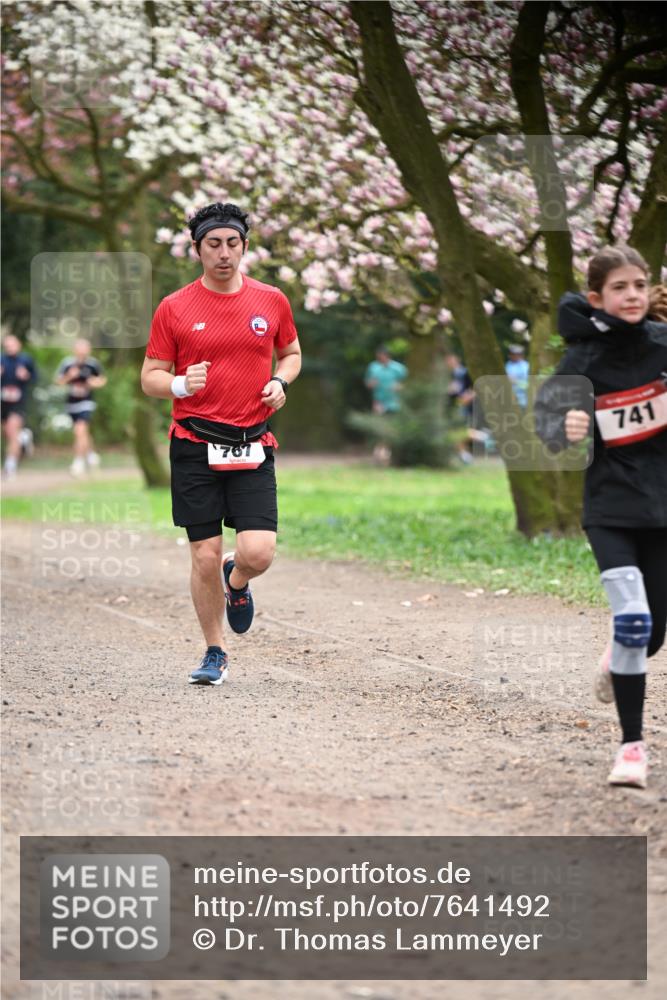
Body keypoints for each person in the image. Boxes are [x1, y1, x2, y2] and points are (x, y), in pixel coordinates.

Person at [141, 202, 301, 687]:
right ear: (198, 250)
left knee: (259, 554)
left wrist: (281, 381)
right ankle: (215, 650)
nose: (224, 254)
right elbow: (149, 377)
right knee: (203, 554)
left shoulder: (271, 300)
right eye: (214, 244)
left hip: (252, 443)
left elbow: (291, 353)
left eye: (233, 244)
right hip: (194, 444)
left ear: (245, 247)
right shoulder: (175, 307)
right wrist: (180, 386)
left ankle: (238, 581)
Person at [535, 246, 667, 789]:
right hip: (610, 508)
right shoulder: (583, 360)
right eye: (620, 287)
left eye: (639, 285)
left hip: (663, 509)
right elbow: (542, 425)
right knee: (634, 622)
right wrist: (563, 427)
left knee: (650, 635)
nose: (632, 295)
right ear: (597, 298)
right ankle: (631, 749)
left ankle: (616, 659)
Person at [55, 338, 107, 477]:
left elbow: (102, 380)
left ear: (88, 350)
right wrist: (68, 376)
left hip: (87, 402)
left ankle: (78, 462)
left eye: (85, 348)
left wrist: (93, 383)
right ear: (75, 350)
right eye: (80, 348)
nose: (82, 351)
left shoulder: (93, 364)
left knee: (80, 430)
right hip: (72, 403)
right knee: (82, 433)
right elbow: (58, 381)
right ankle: (91, 455)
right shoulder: (67, 363)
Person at [1, 333, 37, 478]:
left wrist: (26, 376)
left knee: (12, 430)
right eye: (7, 345)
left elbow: (35, 378)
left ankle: (10, 467)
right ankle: (23, 437)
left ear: (18, 345)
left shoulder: (26, 360)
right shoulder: (1, 360)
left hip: (18, 403)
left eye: (12, 344)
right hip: (2, 403)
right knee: (8, 434)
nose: (10, 347)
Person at [364, 345, 408, 415]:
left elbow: (408, 384)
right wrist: (371, 384)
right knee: (380, 422)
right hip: (379, 401)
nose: (378, 358)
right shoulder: (373, 367)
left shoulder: (399, 368)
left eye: (380, 356)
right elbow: (367, 384)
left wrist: (399, 386)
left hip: (395, 401)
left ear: (387, 355)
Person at [505, 343, 530, 408]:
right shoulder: (507, 365)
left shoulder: (526, 367)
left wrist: (515, 381)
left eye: (518, 354)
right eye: (512, 354)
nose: (515, 356)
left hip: (522, 401)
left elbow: (529, 385)